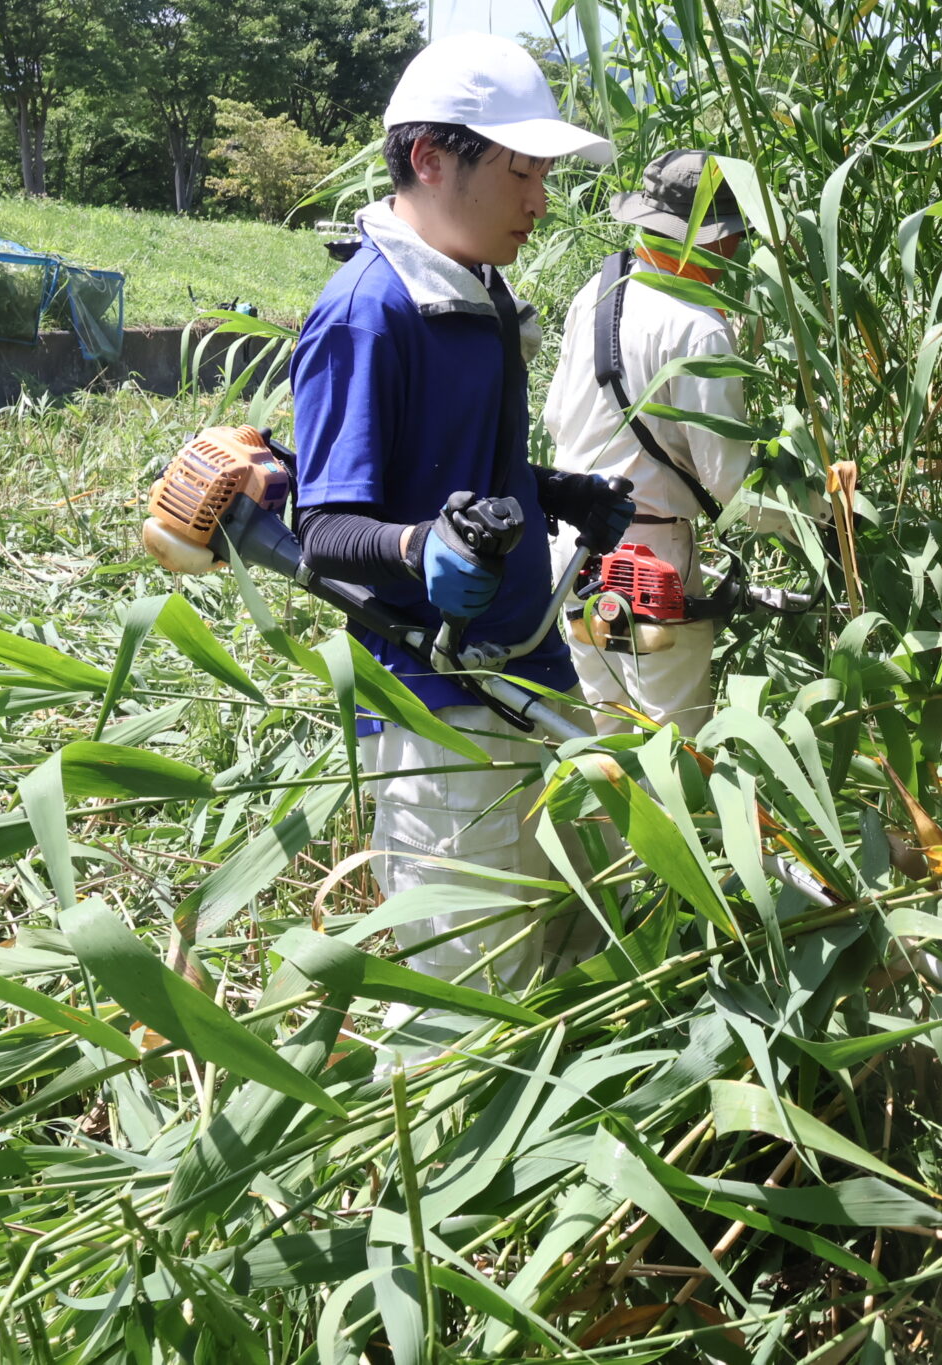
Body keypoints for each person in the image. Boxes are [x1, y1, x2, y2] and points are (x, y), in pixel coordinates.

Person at [286, 33, 635, 1030]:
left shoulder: (474, 290)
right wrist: (417, 552)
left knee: (589, 928)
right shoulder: (369, 313)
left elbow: (450, 470)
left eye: (542, 174)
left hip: (534, 669)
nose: (538, 200)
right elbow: (327, 529)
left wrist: (548, 491)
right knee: (466, 991)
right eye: (520, 171)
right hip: (435, 702)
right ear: (431, 159)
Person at [542, 148, 761, 738]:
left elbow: (557, 418)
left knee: (601, 737)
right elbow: (730, 483)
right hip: (650, 560)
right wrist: (822, 514)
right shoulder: (700, 328)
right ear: (713, 240)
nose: (736, 249)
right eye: (732, 235)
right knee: (675, 743)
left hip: (572, 552)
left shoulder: (596, 294)